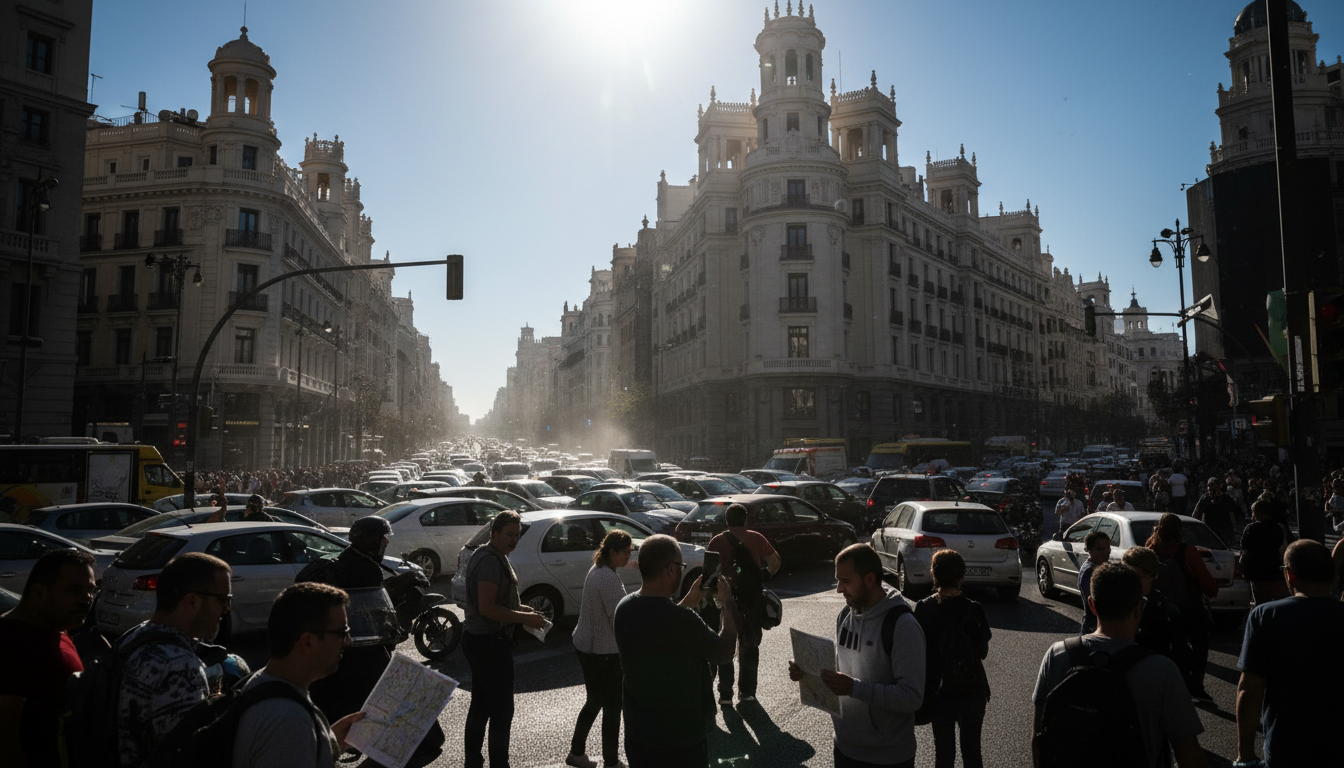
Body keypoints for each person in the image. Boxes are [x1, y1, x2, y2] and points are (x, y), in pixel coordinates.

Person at [1032, 562, 1205, 768]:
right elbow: (1188, 754)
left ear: (1092, 605)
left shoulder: (1057, 655)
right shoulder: (1161, 670)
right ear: (1138, 609)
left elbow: (1038, 736)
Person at [789, 543, 925, 768]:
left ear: (869, 579)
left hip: (888, 756)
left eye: (845, 581)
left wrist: (854, 688)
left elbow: (911, 697)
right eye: (838, 580)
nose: (839, 589)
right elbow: (840, 666)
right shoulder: (846, 614)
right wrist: (806, 670)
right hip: (844, 747)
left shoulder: (902, 625)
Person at [614, 534, 738, 768]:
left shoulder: (625, 607)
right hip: (680, 738)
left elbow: (661, 626)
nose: (681, 571)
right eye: (680, 566)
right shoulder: (683, 621)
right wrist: (727, 602)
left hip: (639, 732)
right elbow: (724, 652)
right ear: (671, 569)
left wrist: (690, 599)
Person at [232, 582, 366, 768]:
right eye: (342, 633)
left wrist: (328, 742)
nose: (348, 642)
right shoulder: (289, 721)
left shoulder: (259, 684)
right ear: (308, 642)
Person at [117, 553, 233, 767]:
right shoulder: (179, 665)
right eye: (223, 600)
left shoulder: (134, 637)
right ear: (192, 601)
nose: (227, 609)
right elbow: (188, 755)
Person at [1235, 540, 1344, 767]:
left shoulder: (1266, 616)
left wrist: (1245, 754)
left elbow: (1250, 690)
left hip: (1287, 746)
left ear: (1290, 575)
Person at [461, 511, 547, 768]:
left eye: (517, 535)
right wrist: (523, 619)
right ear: (494, 533)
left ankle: (473, 761)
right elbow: (487, 608)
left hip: (481, 640)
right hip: (488, 642)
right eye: (509, 534)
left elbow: (498, 600)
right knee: (501, 712)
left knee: (481, 705)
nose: (514, 540)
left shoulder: (492, 555)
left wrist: (524, 609)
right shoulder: (489, 560)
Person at [0, 549, 97, 768]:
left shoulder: (55, 628)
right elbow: (4, 739)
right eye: (75, 590)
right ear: (38, 593)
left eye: (91, 590)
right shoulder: (11, 643)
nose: (87, 599)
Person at [914, 549, 990, 768]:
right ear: (961, 576)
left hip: (940, 690)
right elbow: (982, 651)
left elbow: (919, 650)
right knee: (972, 751)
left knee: (944, 754)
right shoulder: (974, 609)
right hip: (972, 691)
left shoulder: (924, 609)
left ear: (934, 575)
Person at [566, 530, 633, 768]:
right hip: (602, 650)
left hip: (588, 644)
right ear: (612, 552)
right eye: (625, 552)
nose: (628, 556)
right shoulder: (608, 578)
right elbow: (619, 618)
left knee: (595, 701)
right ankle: (611, 760)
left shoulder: (599, 569)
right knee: (613, 706)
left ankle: (577, 752)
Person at [704, 502, 780, 705]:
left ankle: (725, 694)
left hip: (728, 598)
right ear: (745, 520)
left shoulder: (717, 541)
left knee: (726, 644)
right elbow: (775, 561)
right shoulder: (756, 538)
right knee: (750, 644)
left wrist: (715, 595)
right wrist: (763, 575)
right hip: (751, 599)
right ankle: (747, 692)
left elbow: (709, 575)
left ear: (727, 520)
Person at [1146, 513, 1218, 700]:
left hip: (1161, 606)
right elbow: (1208, 583)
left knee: (1169, 647)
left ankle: (1171, 683)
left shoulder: (1151, 547)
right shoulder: (1187, 551)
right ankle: (1195, 685)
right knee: (1199, 646)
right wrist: (1211, 591)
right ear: (1180, 530)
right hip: (1189, 606)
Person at [1120, 546, 1193, 685]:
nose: (1130, 581)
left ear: (1151, 576)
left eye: (1136, 575)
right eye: (1125, 575)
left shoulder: (1165, 609)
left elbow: (1180, 652)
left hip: (1153, 677)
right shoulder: (1117, 603)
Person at [1239, 499, 1290, 606]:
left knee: (1258, 599)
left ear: (1257, 513)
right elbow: (1282, 544)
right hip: (1272, 567)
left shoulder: (1251, 528)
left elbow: (1244, 545)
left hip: (1255, 569)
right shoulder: (1277, 527)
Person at [1078, 530, 1111, 635]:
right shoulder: (1089, 572)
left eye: (1107, 548)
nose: (1105, 552)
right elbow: (1096, 602)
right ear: (1090, 550)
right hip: (1093, 626)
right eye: (1100, 549)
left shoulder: (1102, 565)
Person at [1192, 479, 1241, 549]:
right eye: (1210, 490)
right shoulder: (1205, 498)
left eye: (1214, 489)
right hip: (1210, 530)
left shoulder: (1226, 499)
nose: (1212, 492)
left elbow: (1234, 514)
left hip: (1225, 529)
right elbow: (1196, 513)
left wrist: (1235, 528)